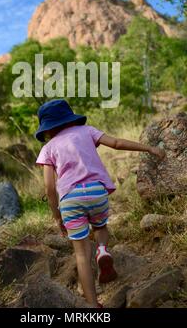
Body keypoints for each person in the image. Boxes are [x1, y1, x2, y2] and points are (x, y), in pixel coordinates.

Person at [35, 99, 165, 308]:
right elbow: (116, 143)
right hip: (97, 192)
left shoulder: (48, 148)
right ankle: (103, 248)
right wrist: (149, 148)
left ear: (47, 129)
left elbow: (49, 188)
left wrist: (57, 216)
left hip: (70, 199)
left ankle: (94, 306)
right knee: (100, 226)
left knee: (81, 255)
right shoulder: (86, 131)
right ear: (70, 117)